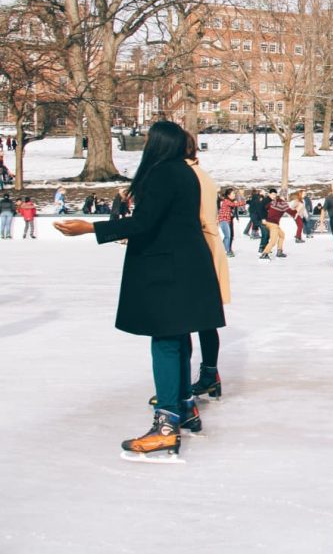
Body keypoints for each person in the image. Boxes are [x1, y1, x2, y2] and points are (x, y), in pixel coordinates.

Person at [55, 120, 224, 462]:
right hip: (186, 265)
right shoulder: (184, 173)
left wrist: (91, 227)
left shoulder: (162, 173)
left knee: (164, 341)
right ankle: (183, 408)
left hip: (167, 270)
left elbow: (145, 224)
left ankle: (165, 427)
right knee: (175, 339)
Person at [184, 132, 231, 402]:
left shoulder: (189, 176)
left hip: (199, 246)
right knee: (204, 319)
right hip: (209, 244)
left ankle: (201, 376)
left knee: (191, 319)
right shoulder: (201, 173)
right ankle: (210, 374)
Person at [260, 189, 296, 259]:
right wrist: (297, 210)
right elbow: (291, 212)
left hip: (268, 222)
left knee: (282, 235)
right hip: (274, 224)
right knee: (273, 241)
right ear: (285, 197)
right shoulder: (283, 204)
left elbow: (266, 207)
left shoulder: (274, 201)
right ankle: (264, 254)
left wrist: (269, 214)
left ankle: (279, 251)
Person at [218, 188, 245, 256]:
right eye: (233, 194)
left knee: (228, 236)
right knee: (228, 236)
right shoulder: (226, 201)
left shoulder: (230, 201)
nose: (234, 195)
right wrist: (243, 202)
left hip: (228, 221)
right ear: (228, 195)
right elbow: (234, 205)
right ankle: (227, 251)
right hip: (223, 220)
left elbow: (234, 206)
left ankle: (221, 249)